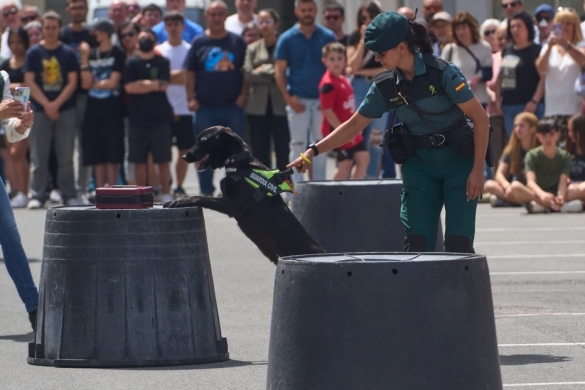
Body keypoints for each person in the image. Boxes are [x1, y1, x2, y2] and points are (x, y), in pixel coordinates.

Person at [288, 12, 489, 253]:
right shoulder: (385, 85)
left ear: (402, 47)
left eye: (381, 53)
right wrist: (313, 151)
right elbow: (353, 126)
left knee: (459, 246)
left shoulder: (442, 73)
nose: (377, 58)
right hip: (419, 166)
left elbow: (480, 118)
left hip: (458, 163)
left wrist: (477, 170)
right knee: (417, 246)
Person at [184, 0, 247, 196]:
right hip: (205, 107)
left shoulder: (237, 41)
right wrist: (190, 98)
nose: (217, 18)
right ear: (207, 18)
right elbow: (190, 72)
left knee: (235, 151)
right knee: (204, 151)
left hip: (232, 106)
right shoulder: (198, 42)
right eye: (213, 14)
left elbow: (246, 72)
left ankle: (234, 189)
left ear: (225, 17)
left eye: (221, 14)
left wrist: (243, 95)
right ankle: (206, 190)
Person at [275, 0, 336, 184]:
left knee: (320, 144)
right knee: (298, 146)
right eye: (304, 10)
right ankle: (297, 192)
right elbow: (279, 70)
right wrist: (288, 97)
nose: (307, 13)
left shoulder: (327, 36)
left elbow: (335, 67)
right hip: (298, 100)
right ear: (297, 12)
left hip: (321, 101)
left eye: (310, 10)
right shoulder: (287, 38)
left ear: (316, 10)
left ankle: (319, 187)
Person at [24, 11, 80, 209]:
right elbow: (29, 80)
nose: (50, 31)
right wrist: (47, 104)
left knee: (66, 156)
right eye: (46, 28)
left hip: (65, 109)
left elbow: (73, 82)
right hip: (39, 110)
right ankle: (37, 194)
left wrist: (56, 104)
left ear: (59, 28)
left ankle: (68, 194)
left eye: (54, 28)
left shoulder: (67, 53)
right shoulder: (33, 53)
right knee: (38, 156)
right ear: (42, 30)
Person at [0, 68, 38, 330]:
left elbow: (9, 131)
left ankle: (35, 307)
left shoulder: (1, 77)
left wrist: (21, 123)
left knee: (11, 236)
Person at [79, 19, 125, 188]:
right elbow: (85, 83)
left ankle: (112, 188)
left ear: (104, 33)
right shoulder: (91, 54)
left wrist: (94, 84)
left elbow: (113, 82)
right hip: (94, 108)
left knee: (113, 151)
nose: (93, 36)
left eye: (96, 32)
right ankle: (100, 190)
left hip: (113, 108)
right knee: (96, 152)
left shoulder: (117, 53)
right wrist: (84, 60)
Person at [244, 8, 289, 171]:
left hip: (281, 105)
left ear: (276, 24)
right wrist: (275, 72)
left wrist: (263, 69)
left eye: (268, 21)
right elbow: (248, 74)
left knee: (283, 149)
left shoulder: (284, 44)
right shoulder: (253, 48)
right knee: (260, 150)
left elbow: (287, 71)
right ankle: (263, 188)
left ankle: (283, 186)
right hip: (257, 106)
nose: (264, 25)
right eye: (260, 22)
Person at [346, 1, 386, 178]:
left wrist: (361, 71)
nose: (368, 20)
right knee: (357, 133)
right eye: (364, 18)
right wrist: (363, 39)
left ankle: (370, 180)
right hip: (360, 86)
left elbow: (387, 68)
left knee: (376, 138)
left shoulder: (386, 37)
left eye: (371, 17)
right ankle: (355, 179)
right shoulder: (354, 37)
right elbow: (352, 66)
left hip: (380, 84)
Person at [155, 11, 192, 199]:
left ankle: (179, 185)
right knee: (163, 151)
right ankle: (165, 183)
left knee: (184, 150)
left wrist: (168, 77)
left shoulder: (190, 49)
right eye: (169, 24)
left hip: (185, 108)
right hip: (163, 108)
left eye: (177, 24)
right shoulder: (159, 50)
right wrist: (177, 76)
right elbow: (157, 78)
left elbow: (188, 77)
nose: (173, 27)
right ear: (165, 27)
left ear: (183, 27)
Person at [319, 42, 368, 180]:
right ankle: (336, 195)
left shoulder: (343, 79)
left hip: (351, 128)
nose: (336, 62)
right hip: (341, 129)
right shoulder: (328, 84)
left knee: (363, 158)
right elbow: (328, 112)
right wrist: (343, 131)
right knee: (345, 163)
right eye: (332, 59)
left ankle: (355, 191)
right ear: (325, 61)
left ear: (345, 60)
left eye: (340, 58)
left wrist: (356, 126)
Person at [536, 8, 585, 141]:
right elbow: (541, 69)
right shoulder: (548, 47)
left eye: (568, 23)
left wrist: (567, 45)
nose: (564, 27)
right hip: (552, 109)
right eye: (560, 24)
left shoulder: (581, 45)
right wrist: (550, 47)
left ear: (575, 26)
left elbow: (582, 60)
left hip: (574, 109)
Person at [60, 0, 91, 198]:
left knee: (85, 145)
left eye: (81, 7)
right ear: (68, 10)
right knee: (65, 147)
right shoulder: (62, 35)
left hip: (87, 95)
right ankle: (67, 189)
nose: (78, 11)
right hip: (65, 95)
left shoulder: (92, 34)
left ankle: (83, 187)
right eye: (74, 7)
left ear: (86, 10)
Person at [495, 11, 544, 137]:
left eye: (519, 26)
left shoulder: (536, 50)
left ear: (528, 28)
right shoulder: (507, 49)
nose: (515, 30)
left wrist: (534, 101)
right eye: (512, 26)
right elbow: (501, 75)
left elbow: (543, 78)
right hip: (508, 106)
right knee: (514, 146)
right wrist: (497, 98)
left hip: (528, 107)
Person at [524, 119, 584, 213]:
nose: (548, 139)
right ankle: (553, 205)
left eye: (551, 134)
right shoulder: (531, 155)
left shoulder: (565, 156)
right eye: (544, 135)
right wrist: (542, 195)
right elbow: (531, 182)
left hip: (561, 192)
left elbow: (563, 181)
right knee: (515, 187)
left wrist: (561, 197)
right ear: (538, 137)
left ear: (558, 135)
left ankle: (548, 205)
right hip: (539, 192)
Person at [484, 112, 538, 206]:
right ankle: (529, 203)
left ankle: (509, 201)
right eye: (516, 126)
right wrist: (507, 185)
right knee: (489, 185)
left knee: (517, 188)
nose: (518, 129)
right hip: (513, 187)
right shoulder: (511, 149)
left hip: (531, 188)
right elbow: (499, 174)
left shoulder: (539, 149)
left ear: (532, 128)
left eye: (522, 126)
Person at [1, 27, 29, 208]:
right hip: (9, 110)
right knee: (10, 153)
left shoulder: (29, 60)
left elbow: (30, 83)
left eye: (19, 42)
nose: (16, 46)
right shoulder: (5, 65)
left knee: (18, 152)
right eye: (12, 42)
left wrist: (10, 87)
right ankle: (16, 190)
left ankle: (24, 192)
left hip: (27, 110)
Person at [441, 12, 492, 110]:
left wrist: (477, 78)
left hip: (479, 100)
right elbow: (441, 75)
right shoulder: (449, 50)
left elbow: (489, 72)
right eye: (458, 29)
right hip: (456, 101)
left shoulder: (484, 47)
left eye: (464, 28)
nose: (461, 32)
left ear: (471, 28)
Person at [566, 114, 585, 185]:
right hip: (570, 189)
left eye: (573, 131)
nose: (570, 134)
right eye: (569, 130)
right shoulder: (566, 152)